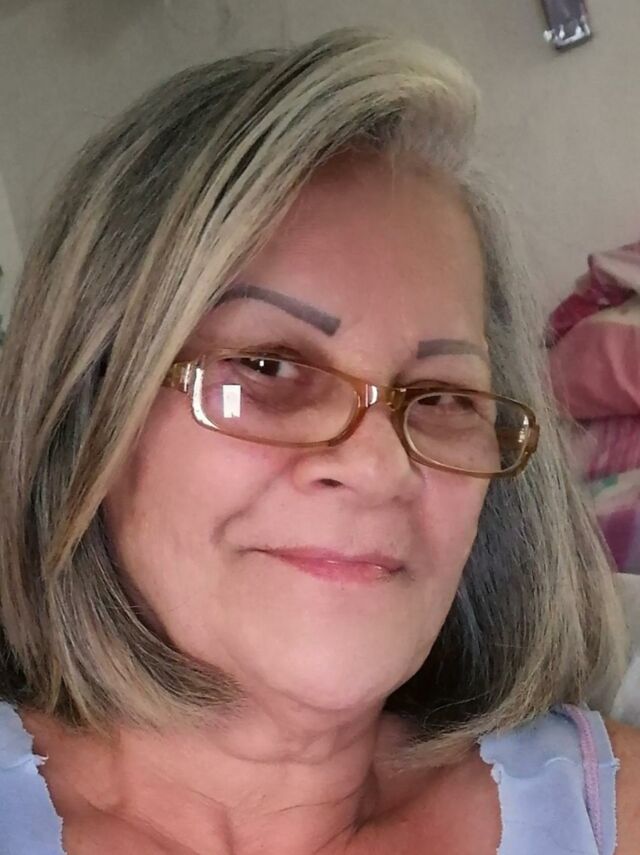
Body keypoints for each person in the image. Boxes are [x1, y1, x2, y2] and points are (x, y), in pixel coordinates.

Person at [0, 28, 638, 855]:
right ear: (90, 409)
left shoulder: (609, 806)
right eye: (269, 365)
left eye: (443, 396)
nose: (380, 465)